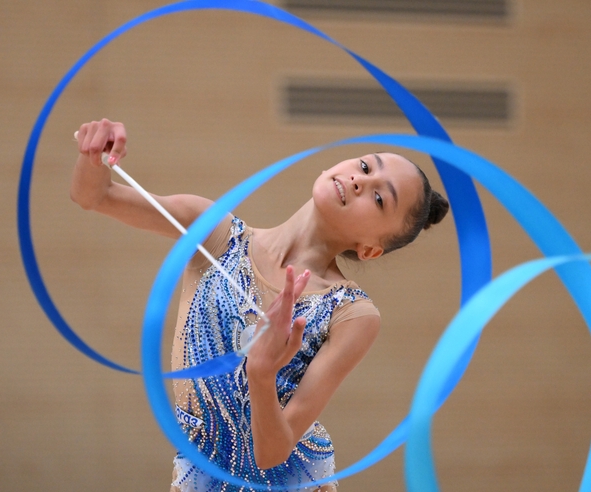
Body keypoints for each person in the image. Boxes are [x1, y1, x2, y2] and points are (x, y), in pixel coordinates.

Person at [70, 119, 449, 491]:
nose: (359, 180)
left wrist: (263, 372)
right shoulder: (214, 232)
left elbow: (271, 454)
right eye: (365, 166)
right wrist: (93, 155)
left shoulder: (351, 313)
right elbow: (95, 197)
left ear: (369, 249)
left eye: (379, 198)